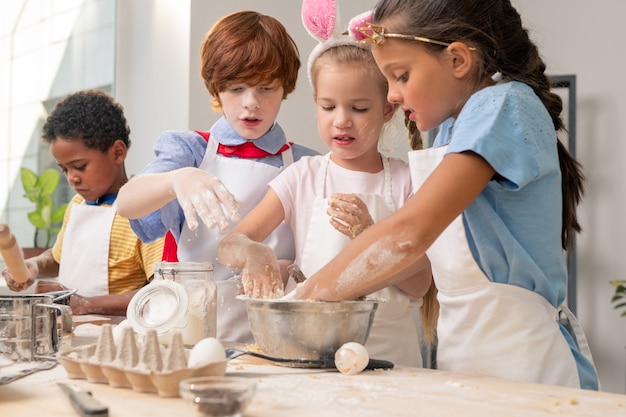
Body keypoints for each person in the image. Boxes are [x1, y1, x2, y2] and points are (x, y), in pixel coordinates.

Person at [292, 0, 600, 391]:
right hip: (466, 357)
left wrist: (303, 302)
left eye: (400, 76)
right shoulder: (450, 127)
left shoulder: (503, 105)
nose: (392, 96)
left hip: (525, 366)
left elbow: (408, 234)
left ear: (457, 60)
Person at [217, 1, 433, 367]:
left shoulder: (406, 180)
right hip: (314, 354)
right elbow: (230, 244)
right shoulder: (303, 176)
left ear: (387, 109)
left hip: (394, 359)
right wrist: (256, 252)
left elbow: (420, 285)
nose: (342, 121)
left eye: (359, 108)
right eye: (328, 107)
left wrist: (374, 237)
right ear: (315, 105)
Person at [115, 11, 319, 344]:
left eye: (266, 88)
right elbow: (127, 203)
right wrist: (177, 180)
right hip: (186, 329)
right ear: (216, 88)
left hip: (272, 332)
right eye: (236, 88)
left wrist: (285, 269)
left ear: (286, 87)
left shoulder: (305, 163)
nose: (250, 104)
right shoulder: (190, 150)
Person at [2, 90, 164, 316]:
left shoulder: (145, 210)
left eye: (79, 166)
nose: (71, 178)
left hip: (118, 337)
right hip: (73, 334)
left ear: (117, 153)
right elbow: (58, 259)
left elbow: (159, 291)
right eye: (64, 169)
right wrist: (36, 265)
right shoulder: (78, 205)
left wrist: (86, 304)